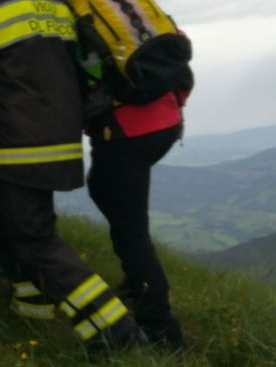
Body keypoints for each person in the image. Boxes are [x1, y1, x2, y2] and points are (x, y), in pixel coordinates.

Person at [0, 0, 143, 352]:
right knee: (17, 230)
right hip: (62, 140)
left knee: (32, 240)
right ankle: (32, 312)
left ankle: (116, 331)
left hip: (14, 144)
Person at [81, 27, 188, 350]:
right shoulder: (126, 15)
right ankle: (135, 281)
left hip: (127, 130)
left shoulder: (81, 23)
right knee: (103, 189)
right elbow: (179, 51)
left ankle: (161, 328)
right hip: (165, 120)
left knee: (131, 229)